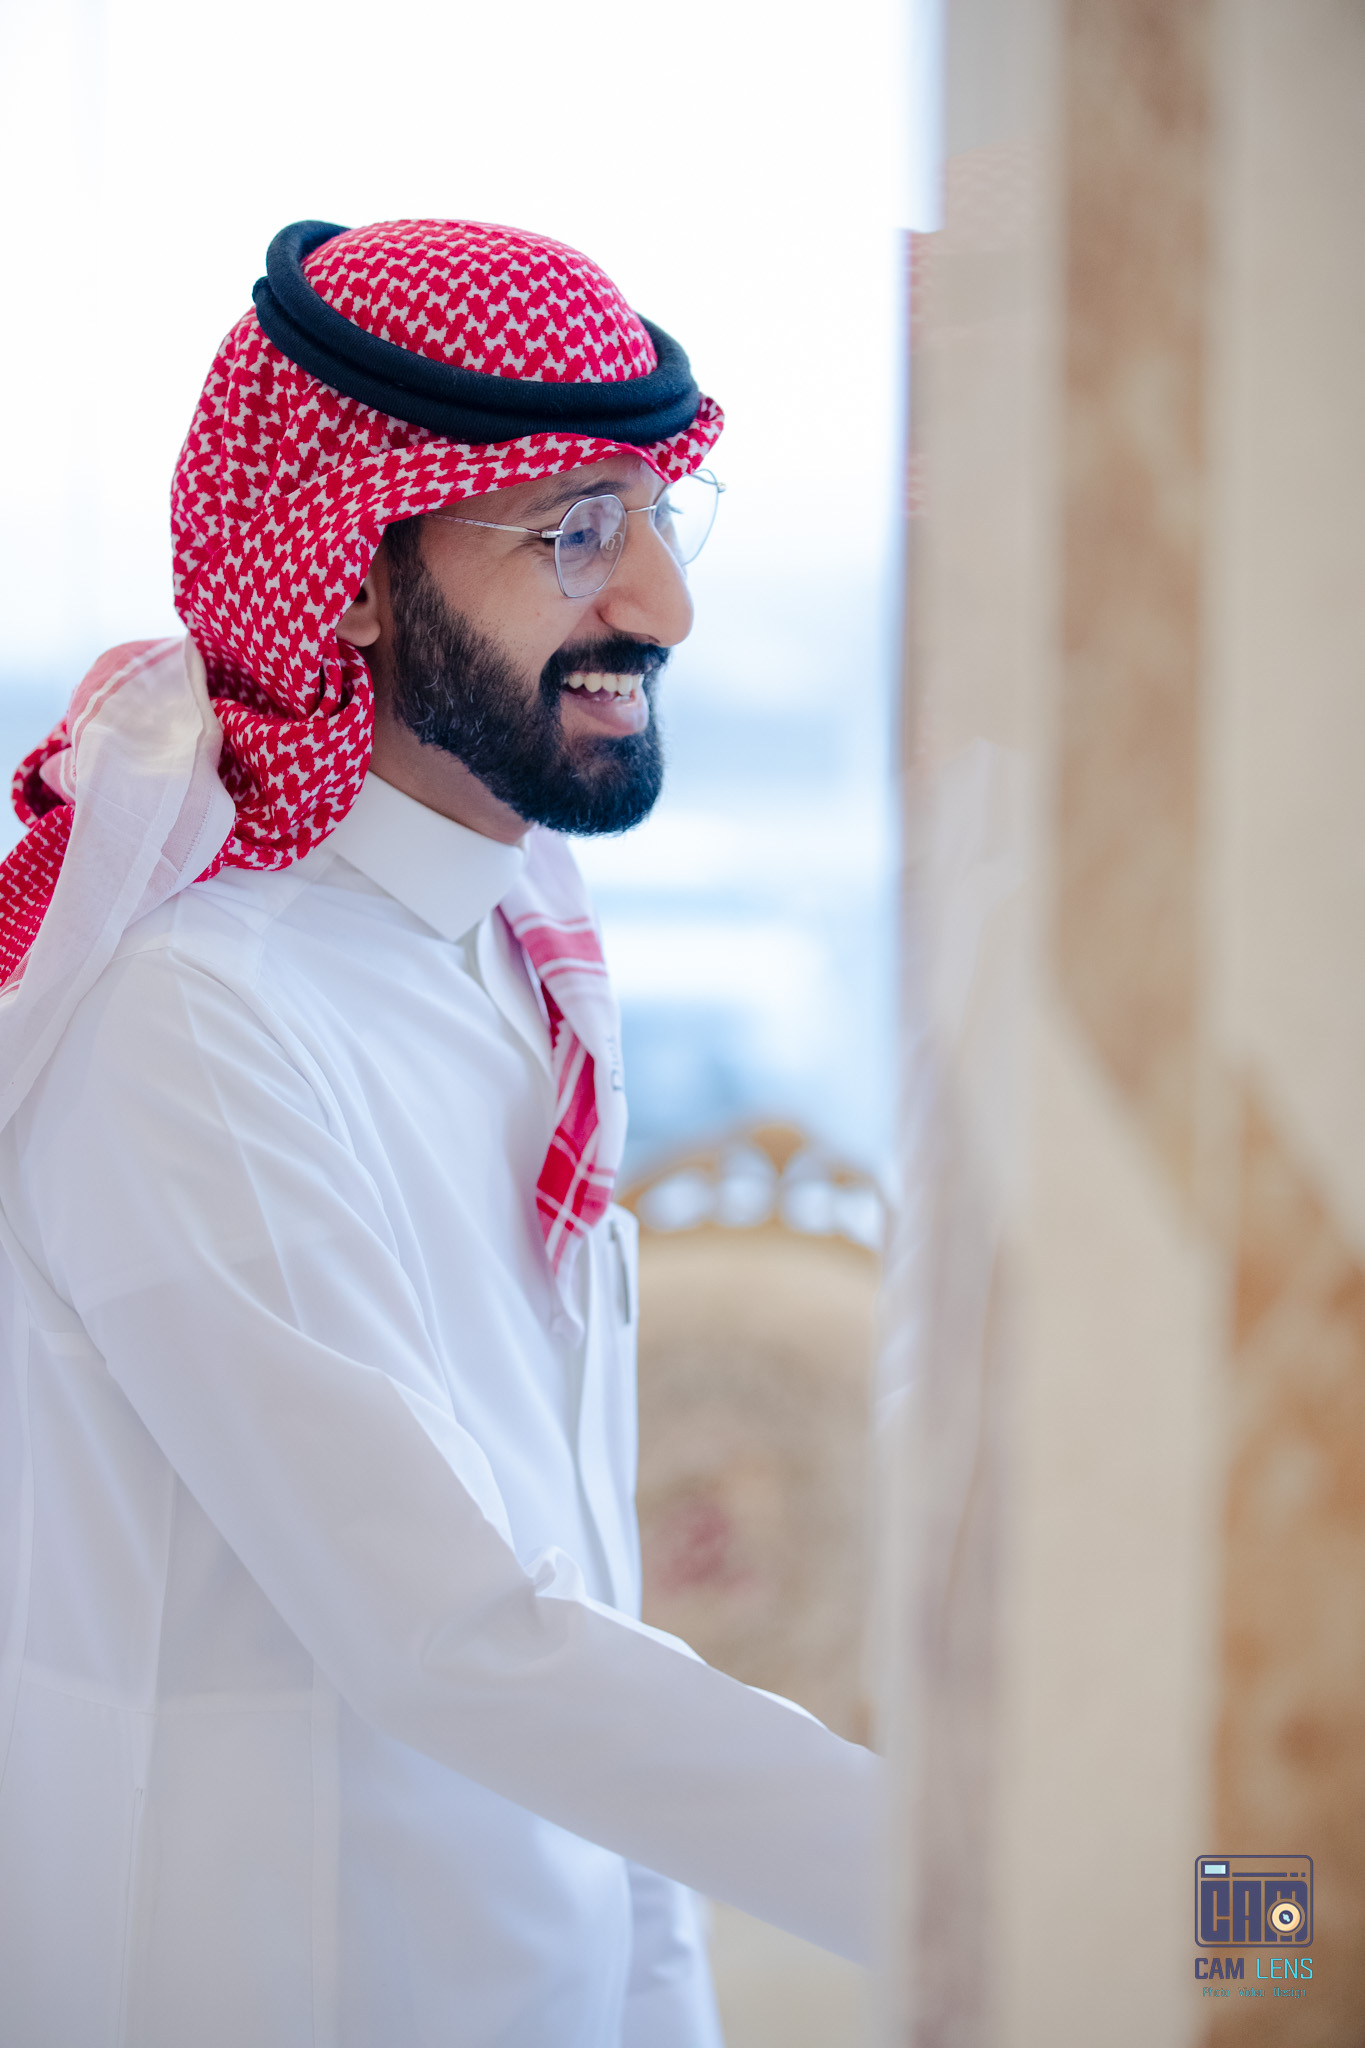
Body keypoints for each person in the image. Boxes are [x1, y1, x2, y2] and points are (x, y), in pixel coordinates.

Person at [0, 218, 880, 2048]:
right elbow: (458, 1642)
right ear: (349, 576)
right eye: (573, 531)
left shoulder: (514, 938)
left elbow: (580, 1595)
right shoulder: (195, 1021)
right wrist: (1056, 1894)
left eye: (657, 515)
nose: (662, 603)